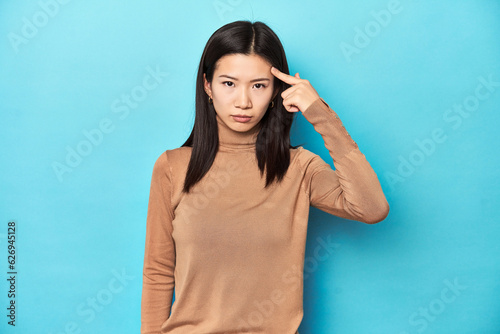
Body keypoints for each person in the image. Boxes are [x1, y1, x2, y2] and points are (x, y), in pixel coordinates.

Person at [141, 20, 389, 334]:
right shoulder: (173, 167)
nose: (243, 101)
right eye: (229, 83)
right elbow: (158, 272)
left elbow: (372, 208)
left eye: (258, 85)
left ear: (275, 92)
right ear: (207, 85)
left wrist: (319, 113)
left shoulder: (299, 168)